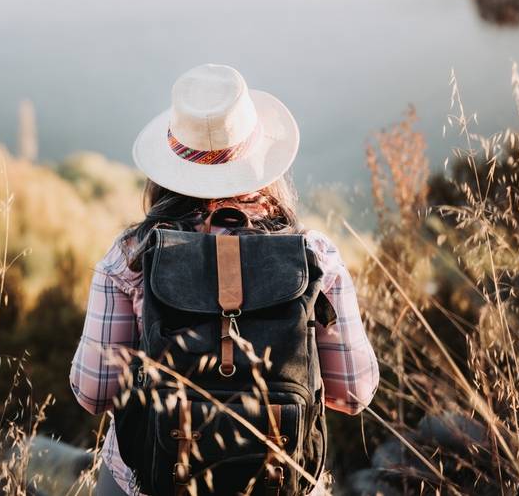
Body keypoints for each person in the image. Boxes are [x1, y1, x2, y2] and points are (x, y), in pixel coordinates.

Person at [69, 64, 379, 495]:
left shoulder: (131, 257)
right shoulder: (312, 256)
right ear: (261, 160)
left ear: (169, 167)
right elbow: (353, 393)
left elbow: (93, 393)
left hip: (152, 479)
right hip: (278, 478)